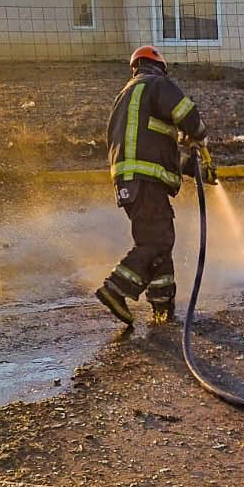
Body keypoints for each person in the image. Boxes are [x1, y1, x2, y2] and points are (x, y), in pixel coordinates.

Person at [95, 46, 207, 326]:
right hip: (146, 180)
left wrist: (191, 167)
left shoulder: (127, 98)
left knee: (161, 240)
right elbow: (186, 112)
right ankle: (115, 289)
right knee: (155, 241)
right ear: (159, 67)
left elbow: (153, 147)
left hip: (130, 181)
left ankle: (162, 304)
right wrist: (199, 134)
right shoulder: (156, 84)